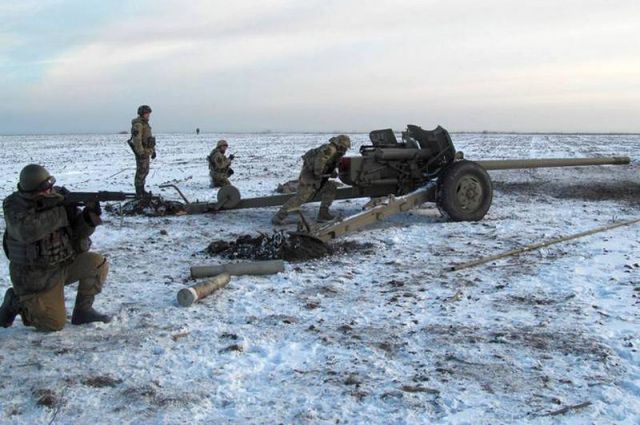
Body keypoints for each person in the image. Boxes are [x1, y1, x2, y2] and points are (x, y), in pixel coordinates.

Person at [0, 164, 110, 331]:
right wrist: (61, 212)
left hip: (61, 265)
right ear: (31, 191)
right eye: (45, 188)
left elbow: (77, 232)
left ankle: (83, 312)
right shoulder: (14, 206)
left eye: (50, 186)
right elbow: (28, 231)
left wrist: (88, 217)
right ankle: (18, 302)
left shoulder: (57, 198)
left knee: (97, 263)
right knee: (53, 324)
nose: (50, 191)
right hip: (35, 278)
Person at [272, 135, 351, 224]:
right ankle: (279, 217)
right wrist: (326, 174)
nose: (345, 150)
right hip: (310, 175)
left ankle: (323, 214)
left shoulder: (335, 152)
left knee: (330, 188)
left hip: (318, 175)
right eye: (344, 147)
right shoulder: (329, 150)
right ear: (340, 145)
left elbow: (329, 164)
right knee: (301, 197)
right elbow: (318, 166)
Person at [129, 105, 156, 197]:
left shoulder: (145, 124)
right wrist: (140, 152)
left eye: (148, 113)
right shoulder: (138, 125)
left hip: (147, 151)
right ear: (142, 114)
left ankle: (142, 190)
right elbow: (137, 140)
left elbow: (149, 139)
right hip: (142, 152)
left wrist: (153, 151)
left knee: (145, 171)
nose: (148, 115)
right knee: (141, 171)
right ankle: (139, 192)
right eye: (146, 113)